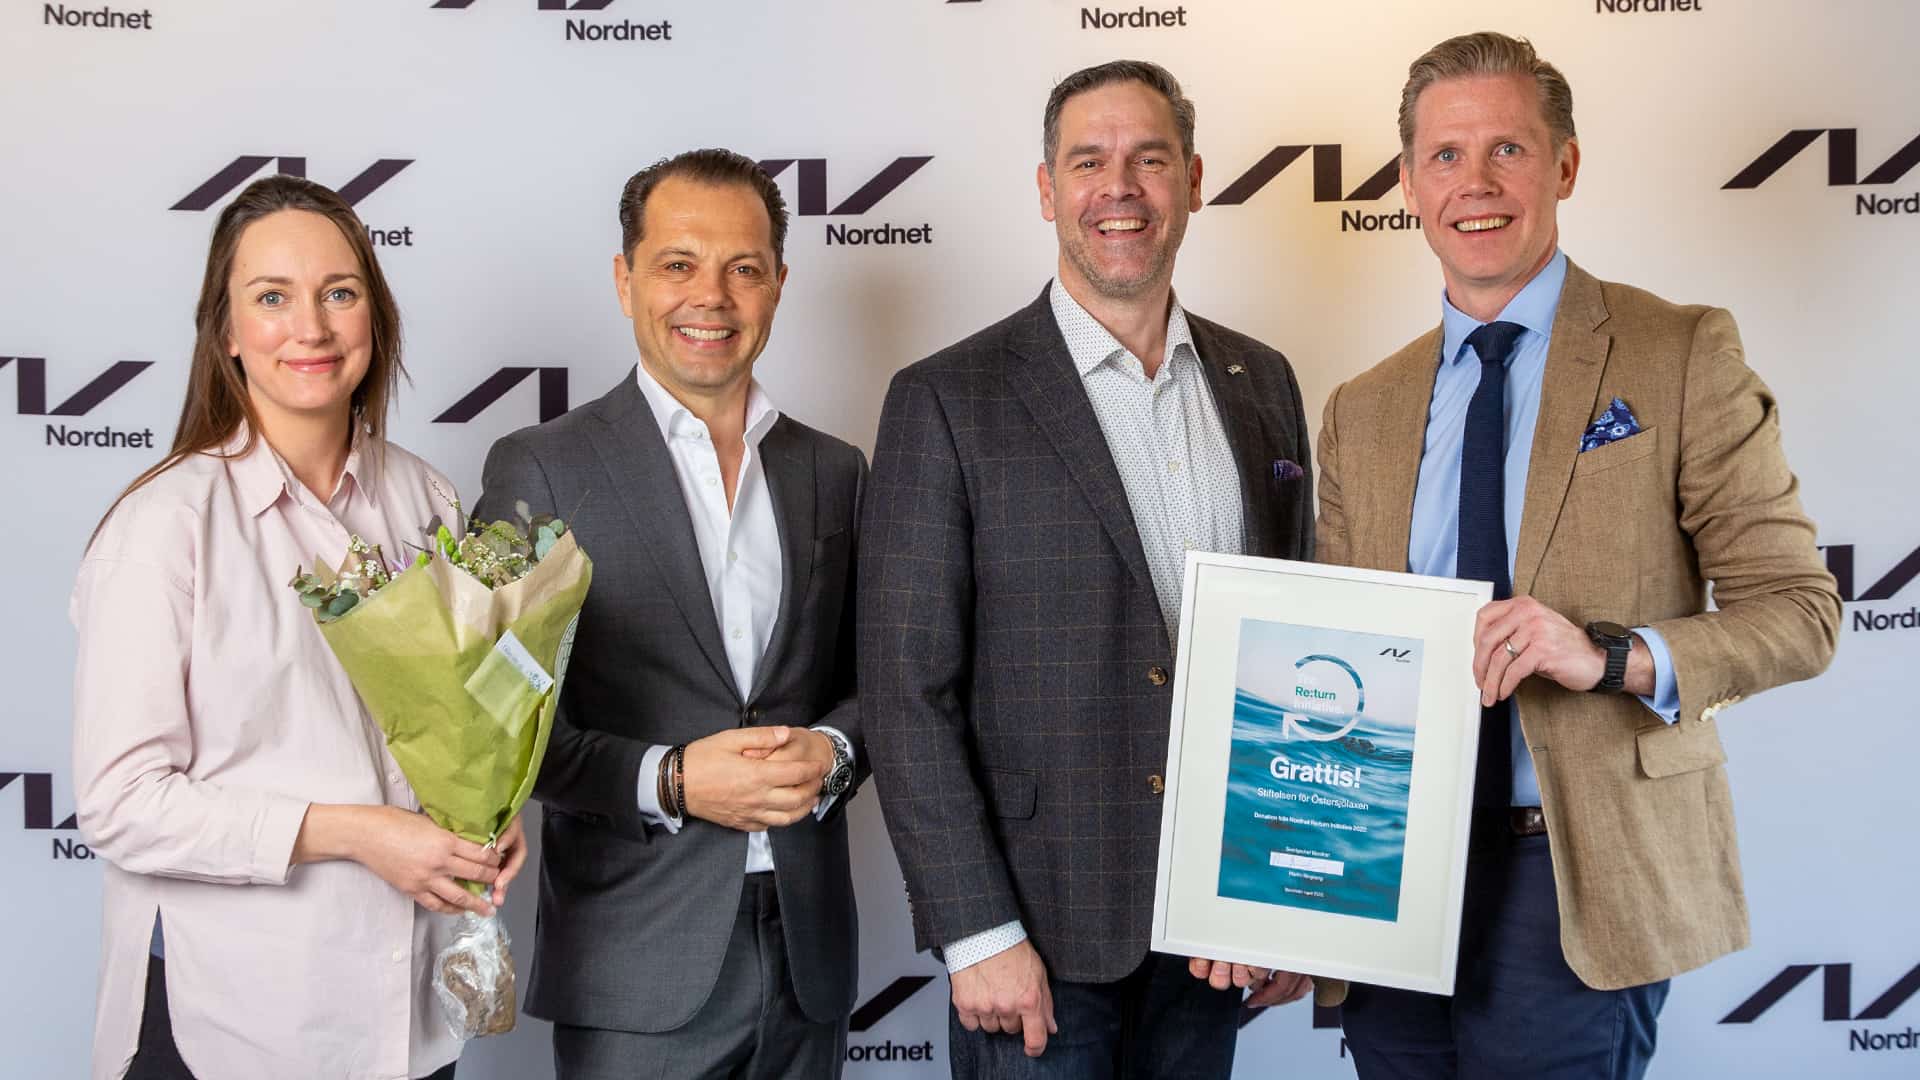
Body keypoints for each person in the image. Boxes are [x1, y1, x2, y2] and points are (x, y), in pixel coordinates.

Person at [1314, 31, 1843, 1079]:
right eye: (1447, 155)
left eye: (1507, 149)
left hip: (1573, 873)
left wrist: (1610, 658)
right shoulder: (1360, 409)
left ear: (1564, 165)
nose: (1476, 182)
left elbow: (1800, 612)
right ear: (1410, 183)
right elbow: (1333, 659)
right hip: (1390, 874)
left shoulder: (1678, 351)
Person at [859, 59, 1319, 1078]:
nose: (1120, 188)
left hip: (1214, 932)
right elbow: (904, 690)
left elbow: (1292, 661)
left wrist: (1284, 895)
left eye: (1149, 160)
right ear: (1046, 189)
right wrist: (975, 930)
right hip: (1035, 938)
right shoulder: (948, 398)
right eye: (1088, 162)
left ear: (1192, 182)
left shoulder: (1262, 382)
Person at [71, 174, 526, 1080]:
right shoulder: (165, 525)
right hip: (231, 1024)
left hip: (407, 1018)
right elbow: (121, 803)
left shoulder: (426, 498)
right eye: (272, 297)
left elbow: (456, 720)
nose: (310, 327)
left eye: (339, 293)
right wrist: (354, 831)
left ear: (375, 319)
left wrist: (487, 814)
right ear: (227, 333)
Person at [474, 148, 865, 1080]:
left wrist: (836, 752)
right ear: (626, 280)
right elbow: (497, 731)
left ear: (778, 285)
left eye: (744, 268)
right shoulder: (542, 468)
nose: (711, 297)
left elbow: (886, 685)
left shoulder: (834, 470)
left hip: (808, 961)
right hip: (633, 966)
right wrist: (672, 781)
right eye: (678, 264)